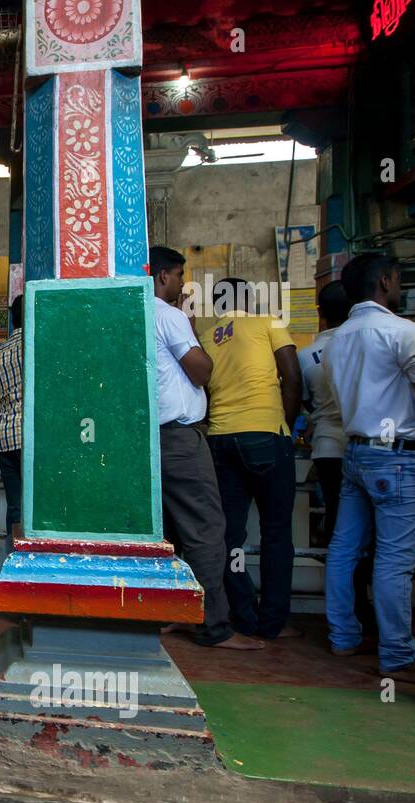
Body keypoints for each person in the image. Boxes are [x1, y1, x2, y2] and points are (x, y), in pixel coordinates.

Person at [324, 254, 415, 695]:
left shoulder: (336, 339)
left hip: (356, 452)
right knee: (393, 561)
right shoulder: (401, 331)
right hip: (396, 458)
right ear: (386, 281)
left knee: (344, 547)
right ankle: (397, 656)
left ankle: (343, 638)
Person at [150, 248, 262, 651]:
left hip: (148, 440)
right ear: (163, 276)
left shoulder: (130, 312)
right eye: (180, 275)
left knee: (167, 532)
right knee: (206, 529)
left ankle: (172, 615)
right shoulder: (170, 316)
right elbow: (202, 370)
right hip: (180, 438)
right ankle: (213, 625)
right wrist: (193, 332)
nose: (183, 283)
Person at [195, 276, 302, 641]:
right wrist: (284, 426)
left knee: (230, 536)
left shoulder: (207, 337)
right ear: (251, 299)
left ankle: (244, 614)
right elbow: (292, 375)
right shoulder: (268, 322)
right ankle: (271, 623)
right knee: (275, 533)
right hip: (265, 436)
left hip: (221, 440)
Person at [298, 281, 375, 628]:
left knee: (339, 532)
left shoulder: (305, 356)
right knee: (374, 535)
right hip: (367, 445)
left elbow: (301, 403)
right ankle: (366, 609)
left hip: (327, 448)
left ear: (320, 313)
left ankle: (344, 617)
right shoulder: (369, 343)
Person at [0, 296, 25, 534]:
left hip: (5, 435)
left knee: (15, 505)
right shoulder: (36, 348)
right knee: (37, 504)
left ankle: (13, 556)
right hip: (30, 434)